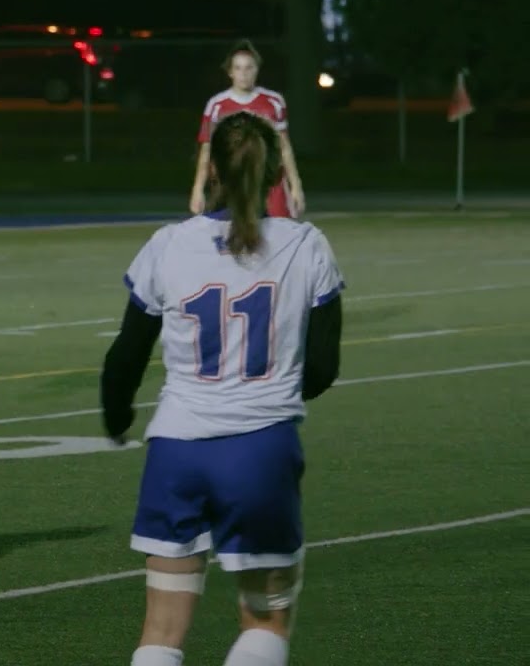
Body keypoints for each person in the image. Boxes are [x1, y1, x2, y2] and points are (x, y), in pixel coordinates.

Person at [100, 111, 344, 666]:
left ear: (210, 169)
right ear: (276, 174)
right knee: (265, 619)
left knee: (160, 631)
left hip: (176, 452)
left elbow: (125, 356)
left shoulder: (169, 243)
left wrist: (117, 418)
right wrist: (272, 394)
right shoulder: (305, 244)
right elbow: (323, 366)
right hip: (260, 449)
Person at [189, 39, 306, 220]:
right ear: (230, 72)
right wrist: (197, 189)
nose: (243, 74)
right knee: (233, 231)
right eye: (238, 68)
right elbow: (206, 149)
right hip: (231, 182)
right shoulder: (217, 105)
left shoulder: (274, 102)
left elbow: (284, 147)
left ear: (257, 69)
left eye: (248, 67)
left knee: (276, 231)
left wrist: (296, 186)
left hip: (269, 183)